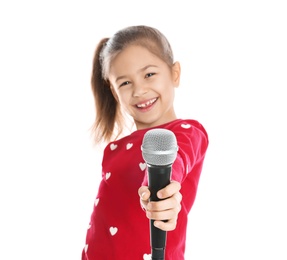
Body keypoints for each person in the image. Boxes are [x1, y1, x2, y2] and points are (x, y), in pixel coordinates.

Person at [81, 25, 209, 260]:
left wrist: (162, 191)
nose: (139, 90)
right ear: (113, 90)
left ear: (175, 73)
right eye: (125, 83)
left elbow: (176, 160)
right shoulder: (113, 149)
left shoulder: (187, 132)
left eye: (149, 74)